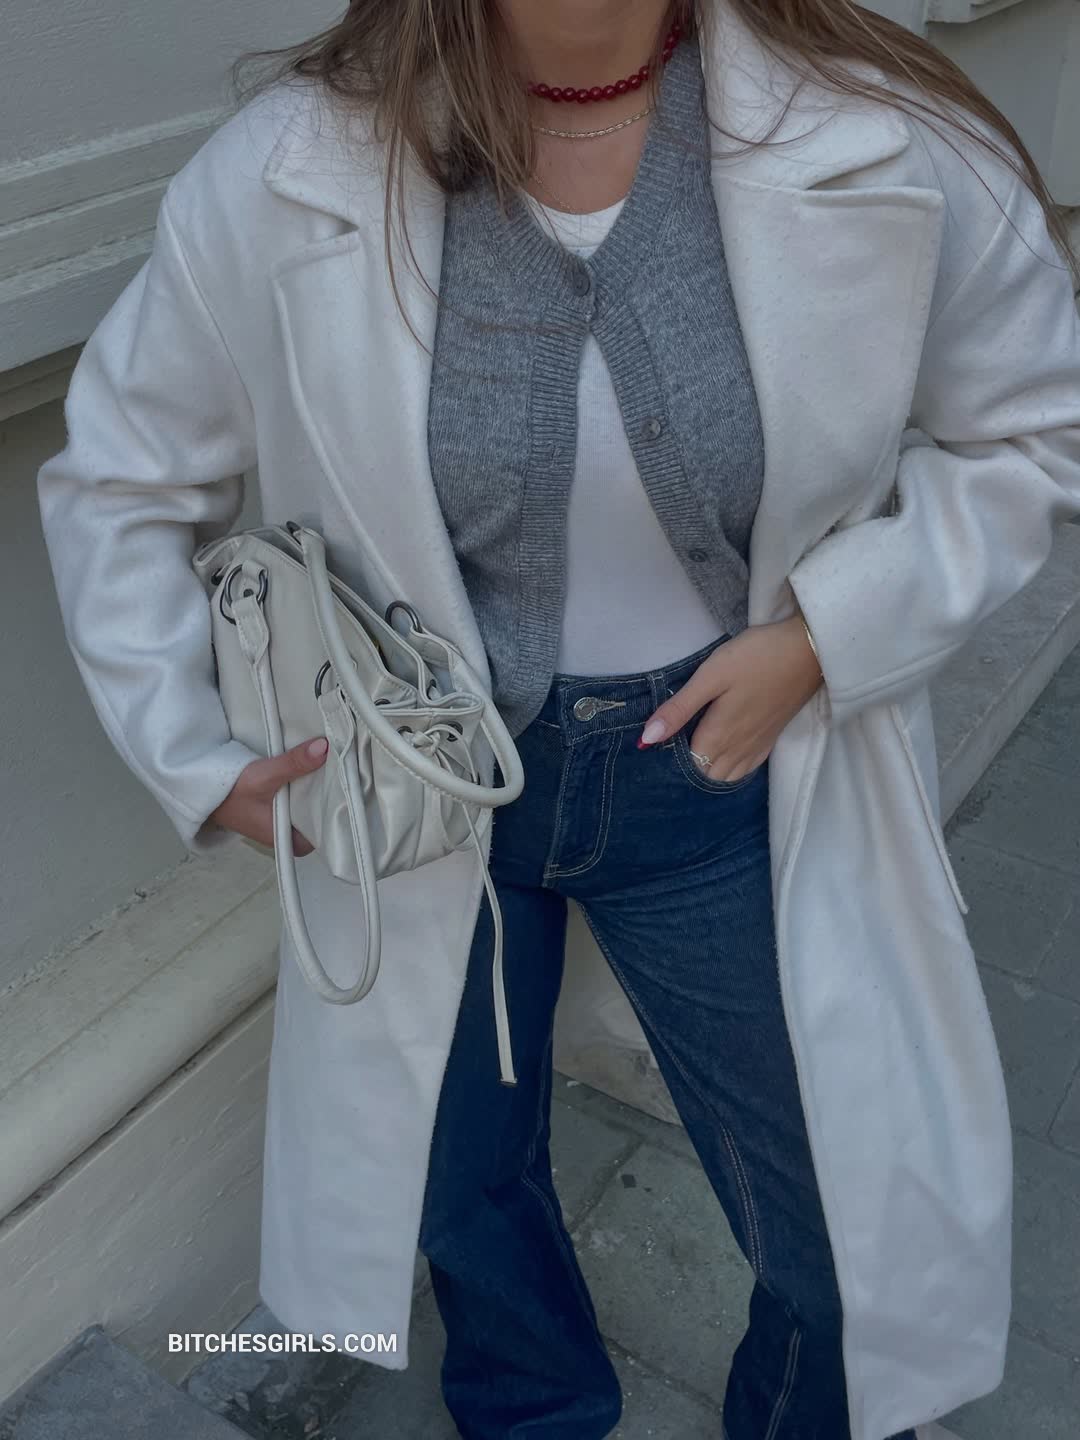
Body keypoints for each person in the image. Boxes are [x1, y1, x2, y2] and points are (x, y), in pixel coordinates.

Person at [36, 1, 1080, 1436]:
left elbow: (1036, 427)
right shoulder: (288, 167)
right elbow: (121, 476)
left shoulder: (878, 132)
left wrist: (827, 637)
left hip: (726, 776)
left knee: (849, 1236)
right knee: (462, 1189)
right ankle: (531, 1415)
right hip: (423, 798)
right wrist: (194, 755)